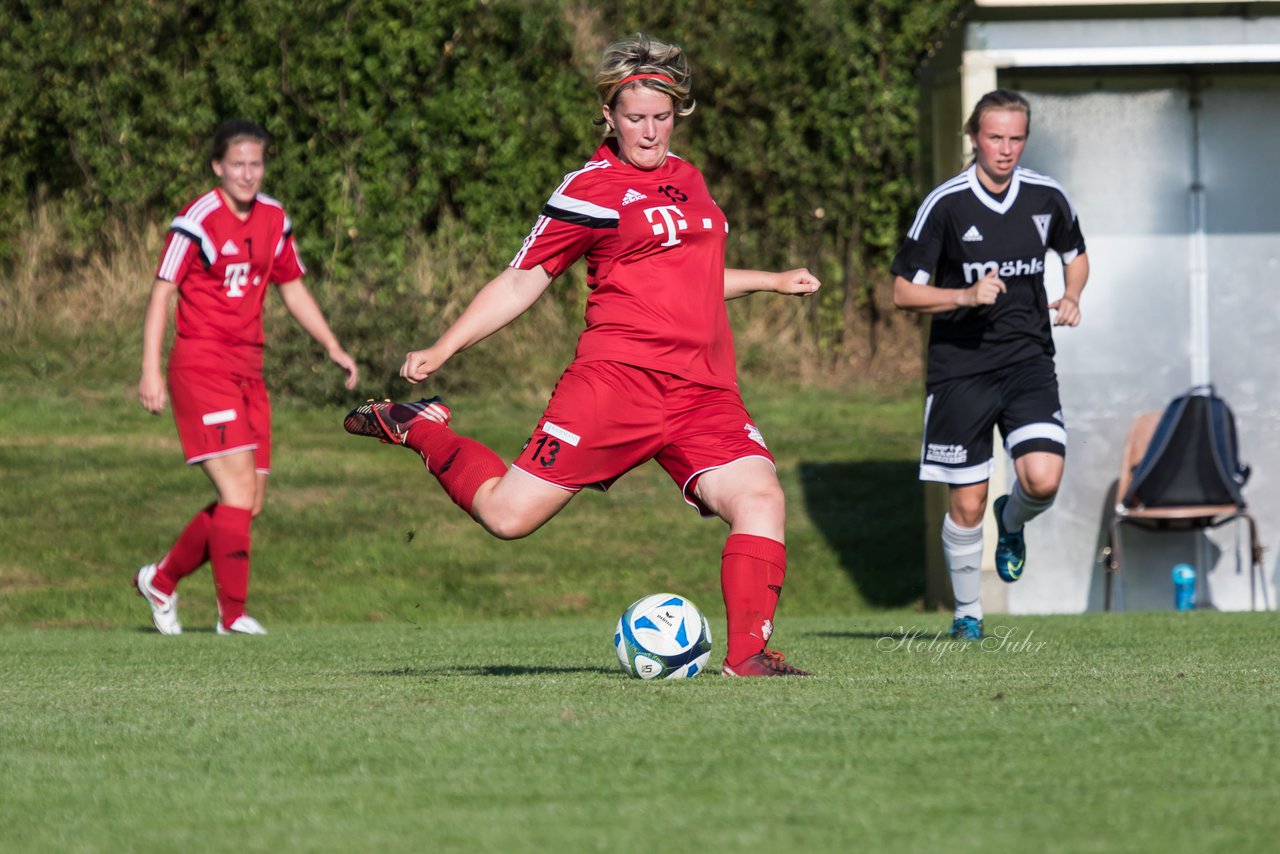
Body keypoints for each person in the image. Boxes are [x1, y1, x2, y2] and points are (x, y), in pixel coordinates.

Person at [344, 33, 819, 676]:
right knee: (508, 517)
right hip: (615, 384)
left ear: (677, 114)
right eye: (635, 119)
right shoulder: (589, 189)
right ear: (609, 117)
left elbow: (693, 278)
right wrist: (444, 345)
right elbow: (523, 278)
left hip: (702, 390)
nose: (649, 133)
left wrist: (771, 280)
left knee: (761, 498)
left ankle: (749, 656)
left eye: (660, 117)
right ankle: (421, 429)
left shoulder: (691, 180)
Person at [134, 119, 359, 635]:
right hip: (201, 366)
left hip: (248, 372)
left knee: (249, 503)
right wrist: (151, 371)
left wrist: (332, 346)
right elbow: (161, 292)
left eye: (255, 163)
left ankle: (162, 580)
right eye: (237, 164)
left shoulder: (274, 218)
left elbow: (294, 288)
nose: (247, 173)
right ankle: (232, 616)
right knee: (236, 492)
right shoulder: (198, 218)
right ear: (218, 166)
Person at [890, 89, 1089, 641]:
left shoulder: (1048, 196)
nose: (1005, 149)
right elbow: (904, 293)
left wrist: (1072, 295)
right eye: (995, 136)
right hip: (961, 369)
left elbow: (1076, 254)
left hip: (1028, 360)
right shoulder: (946, 204)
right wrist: (963, 297)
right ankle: (968, 616)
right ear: (974, 137)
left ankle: (1014, 520)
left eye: (1016, 138)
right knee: (967, 501)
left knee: (1043, 479)